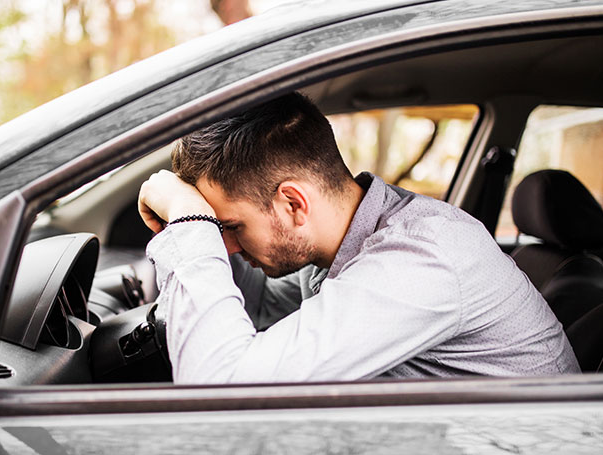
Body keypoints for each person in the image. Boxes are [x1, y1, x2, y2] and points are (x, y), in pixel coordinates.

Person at [137, 92, 580, 384]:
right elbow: (259, 307)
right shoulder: (345, 241)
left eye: (231, 228)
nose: (227, 246)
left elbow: (219, 392)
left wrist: (189, 228)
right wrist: (195, 224)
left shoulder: (421, 257)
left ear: (293, 204)